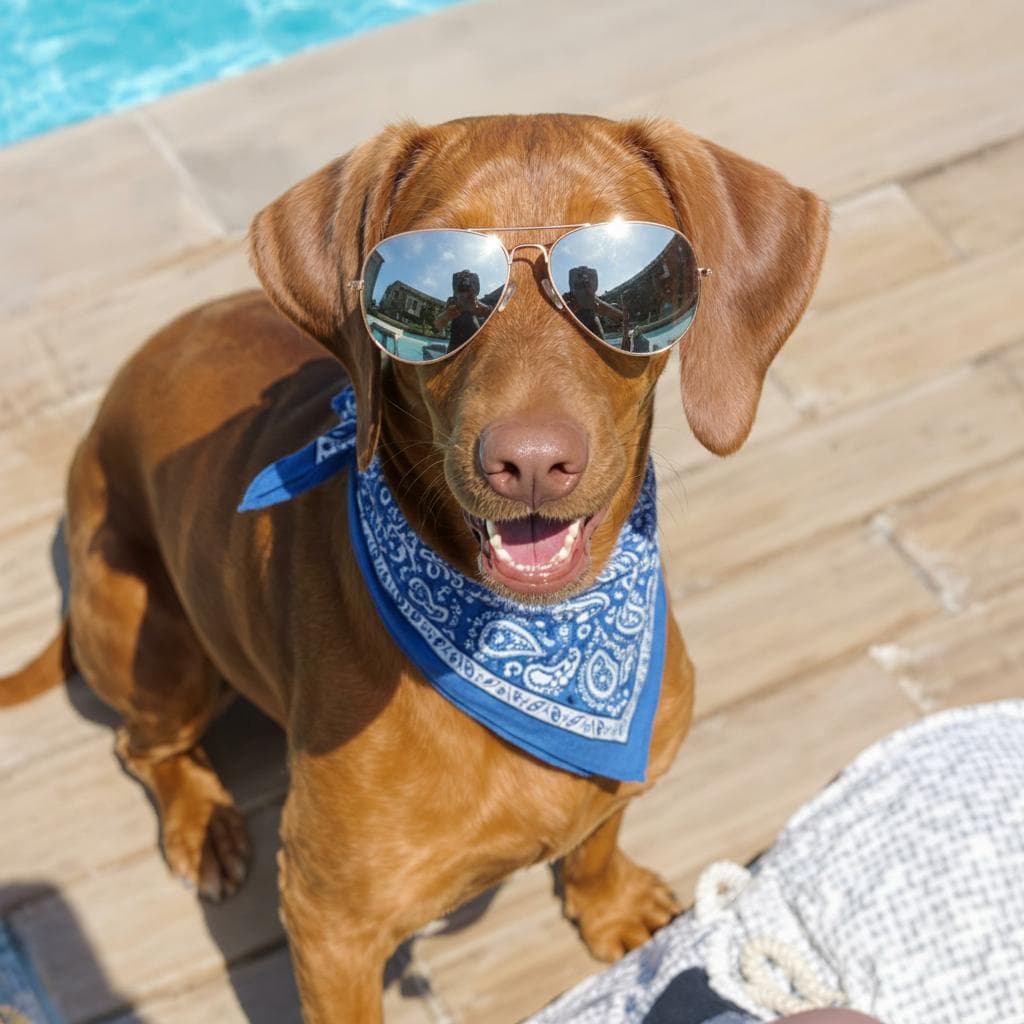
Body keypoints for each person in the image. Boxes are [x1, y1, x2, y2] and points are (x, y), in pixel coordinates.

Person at [434, 269, 492, 351]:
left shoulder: (476, 303)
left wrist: (479, 308)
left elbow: (493, 317)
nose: (465, 286)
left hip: (474, 347)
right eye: (461, 285)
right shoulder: (452, 302)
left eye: (468, 286)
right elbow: (438, 325)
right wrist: (447, 315)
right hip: (454, 348)